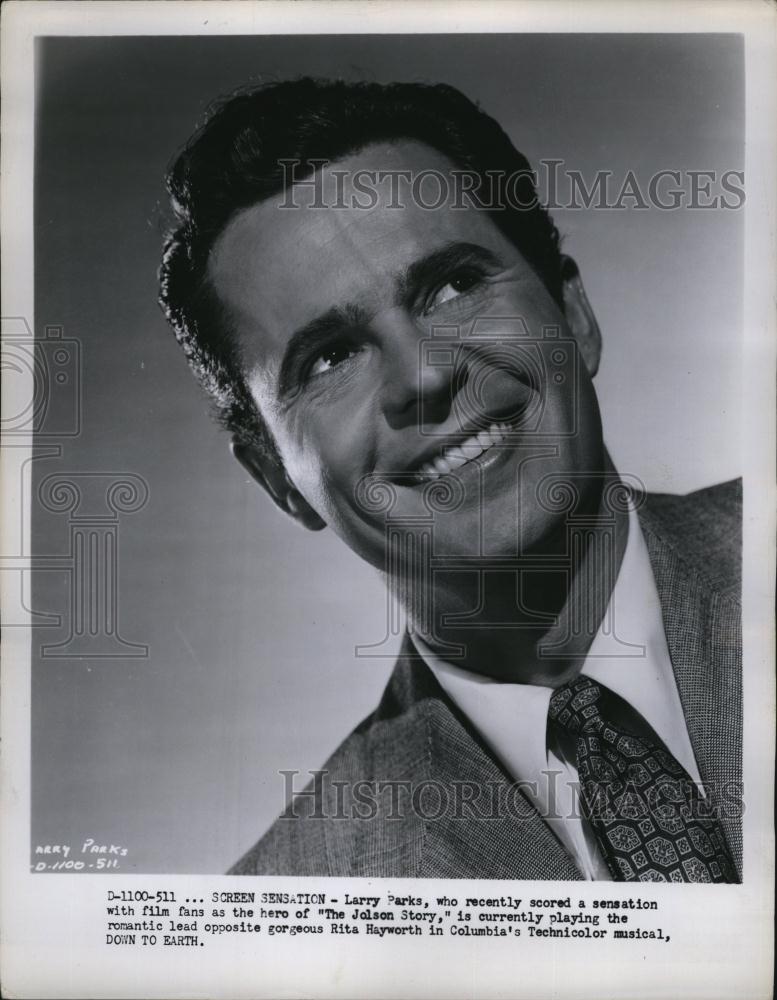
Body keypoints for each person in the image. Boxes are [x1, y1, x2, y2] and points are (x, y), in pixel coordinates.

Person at [158, 78, 742, 882]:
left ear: (572, 312)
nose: (423, 375)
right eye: (329, 357)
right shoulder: (289, 912)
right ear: (276, 480)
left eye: (454, 285)